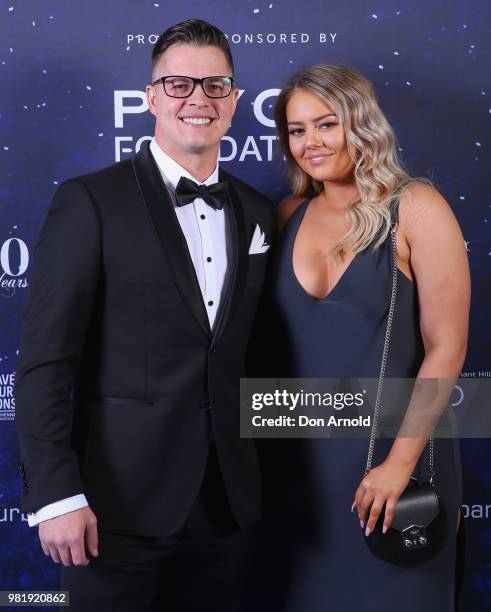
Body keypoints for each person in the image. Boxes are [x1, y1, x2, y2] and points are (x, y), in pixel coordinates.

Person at [14, 19, 273, 612]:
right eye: (178, 85)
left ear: (235, 100)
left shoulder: (259, 211)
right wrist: (56, 494)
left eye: (214, 85)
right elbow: (47, 360)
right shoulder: (90, 201)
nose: (198, 100)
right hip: (113, 508)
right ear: (150, 97)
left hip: (228, 508)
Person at [255, 64, 470, 611]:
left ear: (361, 123)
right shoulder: (288, 214)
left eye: (326, 124)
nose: (310, 143)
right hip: (299, 469)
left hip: (396, 461)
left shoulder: (417, 207)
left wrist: (398, 465)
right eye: (296, 130)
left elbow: (447, 346)